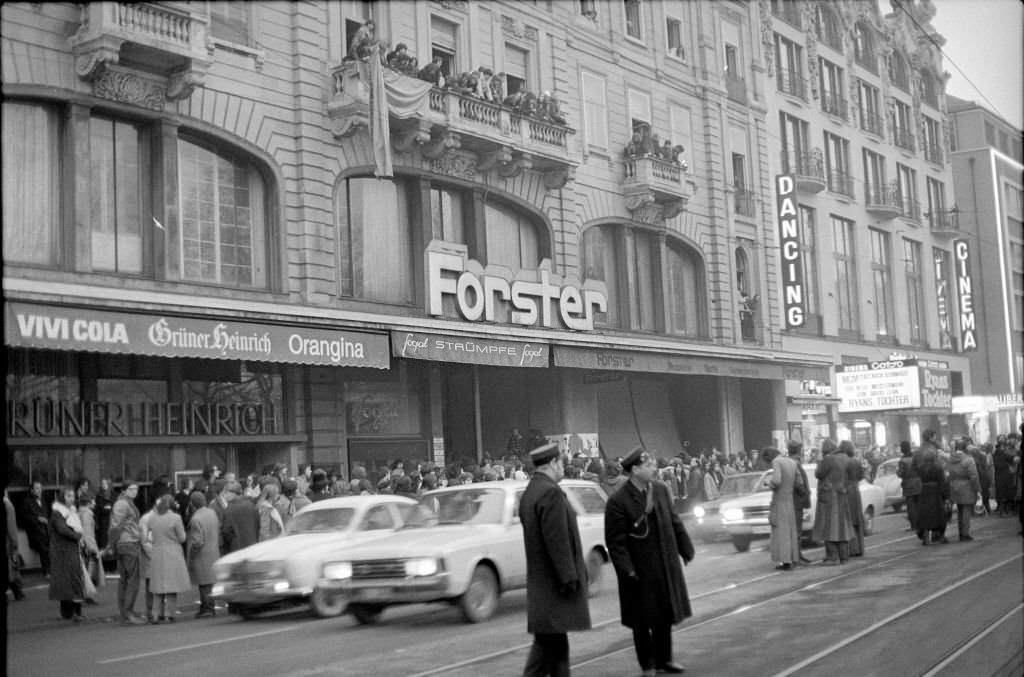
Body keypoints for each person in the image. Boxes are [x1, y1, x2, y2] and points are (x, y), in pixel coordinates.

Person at [605, 447, 693, 677]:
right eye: (649, 466)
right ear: (634, 470)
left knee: (664, 615)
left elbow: (674, 521)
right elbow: (616, 542)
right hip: (639, 569)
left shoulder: (661, 490)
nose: (654, 469)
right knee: (642, 620)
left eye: (653, 464)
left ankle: (665, 660)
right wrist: (627, 570)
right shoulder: (618, 501)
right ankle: (648, 665)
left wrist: (685, 548)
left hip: (663, 562)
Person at [519, 442, 591, 677]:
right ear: (553, 463)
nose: (564, 468)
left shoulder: (532, 490)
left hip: (542, 581)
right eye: (562, 463)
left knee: (554, 645)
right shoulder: (550, 492)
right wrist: (569, 578)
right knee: (548, 646)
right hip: (554, 584)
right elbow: (557, 539)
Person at [108, 482, 148, 625]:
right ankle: (127, 613)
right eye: (131, 489)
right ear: (124, 490)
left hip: (126, 543)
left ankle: (126, 612)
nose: (135, 491)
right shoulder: (122, 504)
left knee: (126, 580)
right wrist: (110, 545)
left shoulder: (126, 502)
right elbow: (115, 526)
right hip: (128, 543)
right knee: (131, 580)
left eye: (136, 489)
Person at [147, 494, 191, 622]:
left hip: (157, 552)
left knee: (158, 586)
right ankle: (168, 614)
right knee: (172, 586)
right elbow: (182, 537)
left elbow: (150, 537)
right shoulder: (176, 518)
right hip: (172, 552)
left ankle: (155, 614)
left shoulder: (152, 518)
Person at [812, 439, 854, 564]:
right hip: (841, 494)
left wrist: (819, 462)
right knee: (842, 526)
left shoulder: (828, 459)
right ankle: (844, 556)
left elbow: (819, 474)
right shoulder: (843, 459)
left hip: (828, 497)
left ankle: (832, 557)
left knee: (828, 527)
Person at [49, 486, 86, 621]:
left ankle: (76, 611)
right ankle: (68, 612)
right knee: (66, 581)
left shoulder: (72, 512)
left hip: (72, 549)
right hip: (62, 551)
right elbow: (62, 530)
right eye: (69, 496)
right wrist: (77, 536)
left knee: (75, 580)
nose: (72, 499)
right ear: (62, 497)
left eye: (73, 496)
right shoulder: (57, 513)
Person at [186, 492, 220, 618]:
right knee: (209, 582)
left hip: (202, 554)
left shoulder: (195, 519)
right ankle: (208, 606)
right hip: (213, 551)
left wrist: (191, 555)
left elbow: (197, 541)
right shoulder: (212, 513)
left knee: (204, 583)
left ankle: (207, 608)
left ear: (192, 503)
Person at [767, 446, 801, 571]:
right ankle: (792, 558)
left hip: (779, 499)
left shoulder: (776, 462)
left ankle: (785, 561)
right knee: (790, 530)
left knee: (781, 531)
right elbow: (799, 481)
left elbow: (776, 481)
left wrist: (769, 484)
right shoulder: (792, 462)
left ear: (768, 456)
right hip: (790, 499)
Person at [948, 440, 980, 541]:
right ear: (965, 448)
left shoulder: (951, 459)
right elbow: (974, 476)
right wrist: (977, 489)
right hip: (966, 486)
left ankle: (960, 532)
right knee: (966, 510)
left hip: (954, 486)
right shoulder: (969, 460)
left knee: (960, 510)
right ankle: (965, 533)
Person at [917, 446, 950, 545]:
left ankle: (925, 537)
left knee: (925, 515)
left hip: (924, 492)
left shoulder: (921, 468)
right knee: (939, 516)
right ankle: (941, 536)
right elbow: (942, 481)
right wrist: (945, 495)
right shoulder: (938, 467)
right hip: (935, 493)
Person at [840, 441, 865, 558]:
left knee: (849, 520)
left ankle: (852, 549)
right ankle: (860, 548)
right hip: (856, 490)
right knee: (857, 520)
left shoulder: (845, 462)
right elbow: (861, 476)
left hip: (848, 491)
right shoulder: (856, 461)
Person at [788, 441, 812, 565]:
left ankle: (798, 556)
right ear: (798, 450)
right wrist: (804, 492)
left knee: (796, 530)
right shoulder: (795, 463)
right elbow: (798, 482)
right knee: (796, 530)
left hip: (794, 500)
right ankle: (796, 557)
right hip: (796, 500)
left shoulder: (791, 462)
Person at [21, 480, 51, 576]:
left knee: (50, 547)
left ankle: (51, 569)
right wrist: (38, 519)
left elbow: (47, 513)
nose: (39, 490)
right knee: (43, 548)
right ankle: (46, 572)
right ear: (32, 490)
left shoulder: (43, 500)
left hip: (46, 530)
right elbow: (25, 517)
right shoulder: (27, 501)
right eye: (37, 488)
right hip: (34, 531)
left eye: (40, 488)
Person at [77, 493, 103, 602]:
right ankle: (85, 595)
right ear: (88, 503)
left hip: (81, 545)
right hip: (87, 546)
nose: (95, 503)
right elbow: (88, 533)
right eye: (93, 501)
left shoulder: (80, 513)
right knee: (89, 572)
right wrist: (92, 548)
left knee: (84, 572)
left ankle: (84, 595)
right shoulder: (87, 514)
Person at [221, 481, 259, 554]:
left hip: (237, 549)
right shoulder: (251, 505)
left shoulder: (229, 509)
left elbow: (226, 531)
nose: (223, 495)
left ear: (232, 493)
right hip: (253, 546)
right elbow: (257, 525)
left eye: (225, 493)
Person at [5, 488, 26, 601]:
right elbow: (12, 527)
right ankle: (18, 592)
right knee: (13, 568)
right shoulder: (8, 505)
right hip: (7, 542)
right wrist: (15, 544)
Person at [897, 441, 921, 533]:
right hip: (918, 483)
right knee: (919, 505)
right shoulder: (916, 458)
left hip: (908, 484)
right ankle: (920, 523)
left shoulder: (902, 461)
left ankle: (914, 525)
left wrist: (897, 472)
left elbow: (901, 473)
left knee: (911, 507)